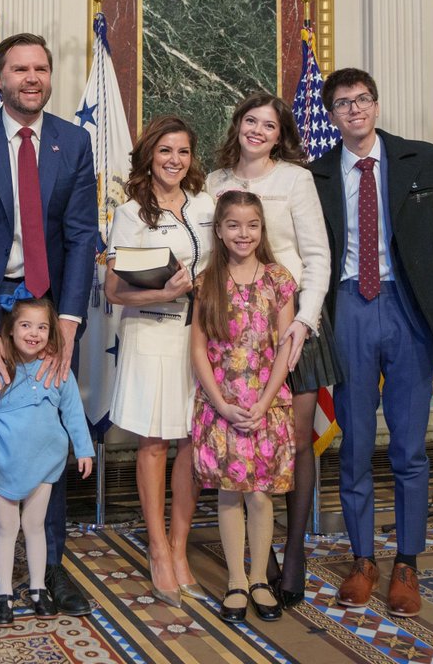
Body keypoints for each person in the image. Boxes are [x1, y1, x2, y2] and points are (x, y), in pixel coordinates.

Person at [310, 69, 433, 618]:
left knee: (408, 447)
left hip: (410, 310)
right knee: (354, 445)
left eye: (362, 100)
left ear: (376, 105)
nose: (354, 110)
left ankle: (406, 562)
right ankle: (363, 560)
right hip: (350, 308)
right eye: (342, 104)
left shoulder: (419, 159)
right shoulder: (319, 175)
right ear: (331, 114)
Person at [0, 32, 97, 619]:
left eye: (41, 69)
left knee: (47, 438)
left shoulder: (72, 142)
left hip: (49, 315)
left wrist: (69, 322)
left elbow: (82, 234)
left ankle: (48, 566)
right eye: (19, 69)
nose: (31, 78)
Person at [206, 92, 338, 607]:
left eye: (269, 125)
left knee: (294, 439)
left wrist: (305, 320)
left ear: (281, 135)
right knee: (241, 442)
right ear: (237, 124)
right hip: (234, 335)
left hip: (291, 328)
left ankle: (294, 547)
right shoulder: (215, 182)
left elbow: (319, 256)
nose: (258, 130)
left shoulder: (295, 180)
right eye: (250, 120)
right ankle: (256, 562)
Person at [104, 115, 214, 607]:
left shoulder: (207, 205)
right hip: (151, 334)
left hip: (199, 337)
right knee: (154, 442)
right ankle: (156, 548)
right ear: (150, 154)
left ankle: (179, 545)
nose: (174, 160)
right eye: (166, 151)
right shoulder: (131, 214)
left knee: (191, 440)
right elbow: (114, 291)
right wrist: (162, 291)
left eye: (183, 152)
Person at [190, 191, 297, 624]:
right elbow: (198, 349)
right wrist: (221, 404)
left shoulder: (279, 279)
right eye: (233, 225)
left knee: (259, 493)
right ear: (219, 230)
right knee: (230, 492)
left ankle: (258, 578)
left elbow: (288, 347)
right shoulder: (206, 281)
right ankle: (235, 578)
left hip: (266, 405)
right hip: (221, 406)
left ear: (261, 229)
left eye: (251, 225)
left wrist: (265, 402)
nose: (243, 233)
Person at [0, 297, 95, 627]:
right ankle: (5, 594)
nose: (34, 333)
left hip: (45, 464)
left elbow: (73, 411)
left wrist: (84, 449)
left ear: (51, 333)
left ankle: (38, 588)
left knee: (35, 527)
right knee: (6, 529)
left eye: (42, 327)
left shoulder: (56, 370)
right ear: (10, 330)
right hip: (3, 465)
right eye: (26, 325)